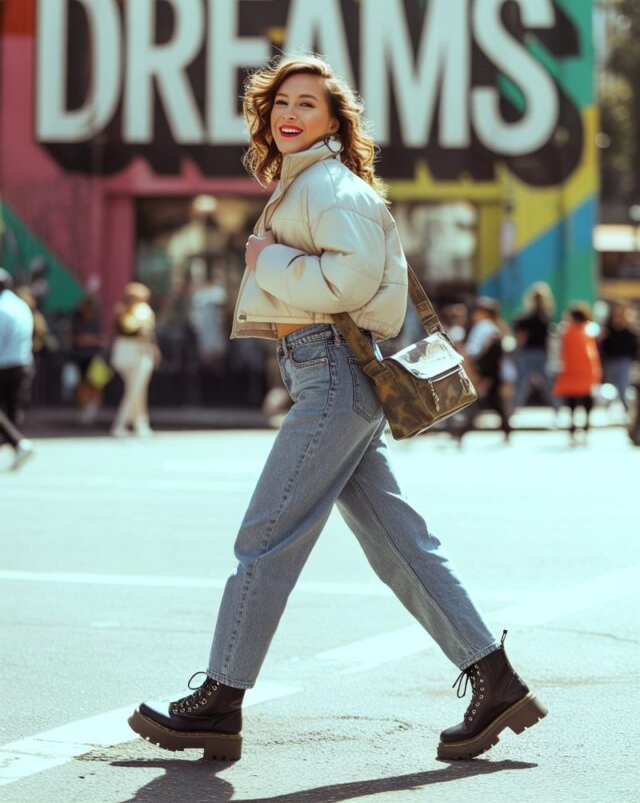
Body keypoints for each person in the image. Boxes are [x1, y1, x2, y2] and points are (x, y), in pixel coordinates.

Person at [128, 54, 546, 763]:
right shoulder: (308, 185)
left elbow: (350, 281)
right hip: (328, 376)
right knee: (401, 547)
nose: (288, 115)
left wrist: (266, 261)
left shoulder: (327, 186)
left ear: (332, 121)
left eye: (306, 105)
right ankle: (495, 680)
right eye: (279, 104)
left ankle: (221, 697)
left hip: (332, 379)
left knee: (266, 537)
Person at [454, 297, 512, 443]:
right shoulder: (493, 327)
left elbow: (480, 351)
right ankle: (506, 431)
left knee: (480, 405)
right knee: (492, 405)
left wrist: (482, 376)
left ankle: (462, 433)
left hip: (487, 373)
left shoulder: (484, 327)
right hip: (491, 372)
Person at [110, 282, 158, 437]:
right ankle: (121, 423)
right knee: (134, 390)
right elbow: (127, 328)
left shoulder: (144, 311)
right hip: (128, 353)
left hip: (141, 353)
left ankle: (140, 424)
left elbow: (149, 334)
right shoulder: (124, 311)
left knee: (138, 389)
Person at [0, 268, 35, 471]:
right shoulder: (19, 304)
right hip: (23, 362)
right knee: (12, 411)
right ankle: (18, 445)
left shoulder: (2, 308)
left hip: (5, 363)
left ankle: (17, 443)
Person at [553, 303, 602, 444]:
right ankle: (585, 426)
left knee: (572, 402)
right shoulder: (589, 331)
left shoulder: (567, 332)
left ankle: (573, 428)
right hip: (586, 371)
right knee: (586, 401)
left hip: (570, 371)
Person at [512, 282, 558, 412]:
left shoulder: (526, 318)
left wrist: (517, 353)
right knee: (547, 386)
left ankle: (512, 413)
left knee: (522, 385)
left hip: (528, 354)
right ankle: (558, 411)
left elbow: (521, 339)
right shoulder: (545, 319)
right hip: (539, 354)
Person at [71, 296, 108, 426]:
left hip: (95, 358)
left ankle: (91, 411)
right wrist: (94, 339)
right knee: (83, 385)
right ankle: (84, 410)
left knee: (96, 384)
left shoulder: (96, 320)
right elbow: (78, 338)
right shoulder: (76, 319)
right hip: (80, 358)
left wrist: (91, 339)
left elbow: (100, 339)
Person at [599, 302, 638, 413]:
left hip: (624, 360)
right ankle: (611, 406)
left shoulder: (629, 329)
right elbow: (603, 345)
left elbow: (632, 346)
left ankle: (625, 407)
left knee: (623, 384)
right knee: (612, 385)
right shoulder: (608, 328)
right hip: (611, 360)